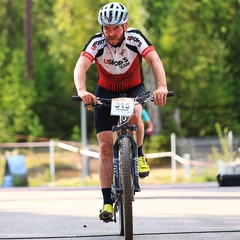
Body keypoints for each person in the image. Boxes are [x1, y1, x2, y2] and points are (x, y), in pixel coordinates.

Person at [73, 2, 168, 222]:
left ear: (125, 26)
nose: (111, 32)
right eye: (106, 27)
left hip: (133, 88)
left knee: (136, 112)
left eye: (115, 27)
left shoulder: (135, 38)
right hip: (105, 92)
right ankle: (106, 201)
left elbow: (154, 60)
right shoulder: (96, 43)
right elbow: (80, 66)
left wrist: (162, 86)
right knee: (105, 147)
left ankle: (140, 154)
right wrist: (82, 91)